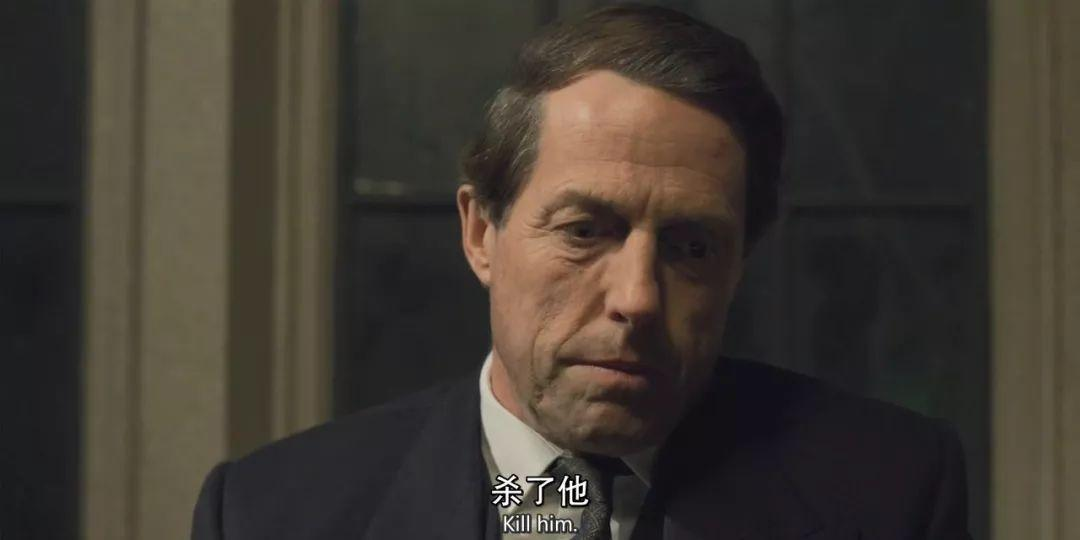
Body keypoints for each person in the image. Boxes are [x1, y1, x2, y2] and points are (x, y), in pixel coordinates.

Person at [192, 5, 971, 539]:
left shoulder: (890, 495)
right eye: (585, 231)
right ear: (481, 233)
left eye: (692, 247)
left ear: (740, 265)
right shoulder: (271, 516)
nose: (637, 298)